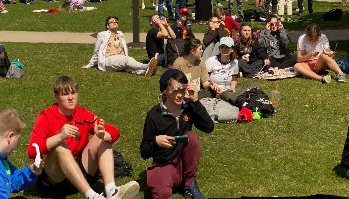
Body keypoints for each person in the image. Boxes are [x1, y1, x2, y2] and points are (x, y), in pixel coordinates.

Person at [27, 76, 139, 199]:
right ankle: (92, 196)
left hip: (80, 174)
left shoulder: (83, 114)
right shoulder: (46, 116)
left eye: (73, 93)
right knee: (60, 147)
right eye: (65, 94)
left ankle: (111, 191)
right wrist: (60, 137)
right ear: (56, 97)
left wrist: (103, 134)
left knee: (102, 138)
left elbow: (114, 131)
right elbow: (32, 151)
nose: (70, 98)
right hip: (53, 181)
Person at [140, 69, 214, 199]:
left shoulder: (188, 107)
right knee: (162, 193)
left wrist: (196, 101)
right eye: (175, 90)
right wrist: (156, 141)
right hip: (163, 165)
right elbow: (144, 151)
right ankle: (161, 179)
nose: (180, 94)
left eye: (183, 89)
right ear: (164, 91)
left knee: (191, 138)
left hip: (182, 165)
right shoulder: (154, 115)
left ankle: (189, 182)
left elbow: (208, 127)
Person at [83, 16, 148, 75]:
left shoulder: (120, 34)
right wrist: (89, 64)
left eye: (116, 22)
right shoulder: (102, 35)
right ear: (107, 26)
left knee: (128, 66)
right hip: (108, 60)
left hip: (120, 58)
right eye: (111, 22)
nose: (114, 22)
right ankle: (147, 66)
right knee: (127, 60)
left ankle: (144, 72)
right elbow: (96, 51)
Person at [203, 37, 240, 104]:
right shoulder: (211, 60)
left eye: (227, 47)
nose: (224, 49)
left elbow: (234, 79)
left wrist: (233, 86)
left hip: (227, 91)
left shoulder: (235, 62)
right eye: (222, 47)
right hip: (212, 91)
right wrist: (211, 85)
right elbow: (205, 79)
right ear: (219, 49)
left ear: (232, 49)